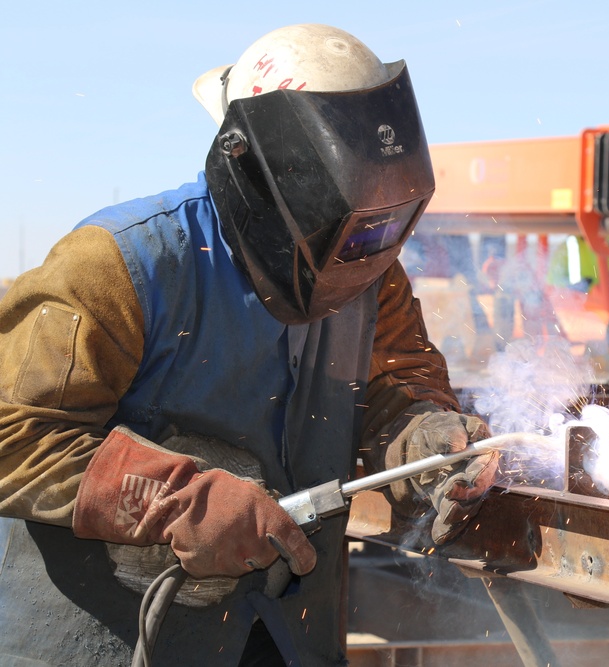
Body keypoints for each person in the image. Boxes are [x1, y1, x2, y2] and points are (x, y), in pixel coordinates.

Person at [0, 23, 497, 666]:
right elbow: (13, 430)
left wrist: (423, 438)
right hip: (107, 643)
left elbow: (386, 393)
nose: (359, 269)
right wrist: (175, 500)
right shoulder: (121, 265)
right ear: (255, 175)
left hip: (288, 639)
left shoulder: (372, 269)